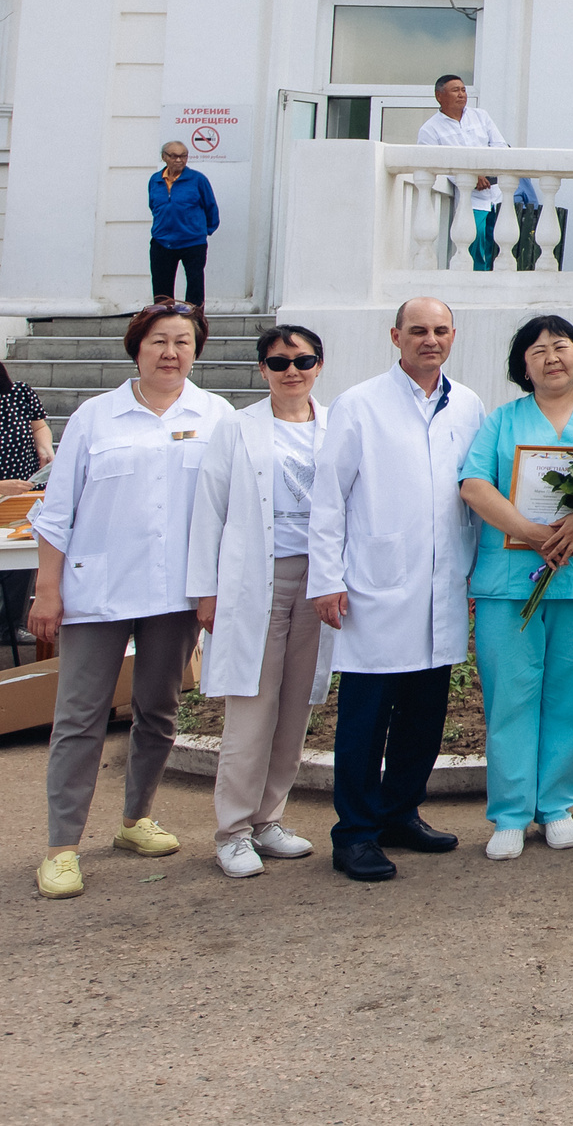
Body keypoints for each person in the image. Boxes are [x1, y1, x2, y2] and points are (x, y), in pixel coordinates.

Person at [26, 303, 232, 900]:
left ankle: (136, 819)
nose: (171, 353)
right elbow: (57, 511)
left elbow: (226, 510)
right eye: (159, 341)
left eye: (183, 342)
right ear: (136, 348)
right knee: (79, 717)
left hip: (176, 593)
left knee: (159, 710)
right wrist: (47, 590)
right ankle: (61, 847)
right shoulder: (96, 416)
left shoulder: (216, 415)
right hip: (97, 590)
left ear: (196, 351)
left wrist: (214, 590)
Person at [307, 298, 486, 881]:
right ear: (395, 336)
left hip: (441, 585)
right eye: (418, 330)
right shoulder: (359, 404)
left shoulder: (468, 404)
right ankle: (355, 833)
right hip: (374, 586)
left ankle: (399, 812)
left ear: (453, 335)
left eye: (440, 330)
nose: (429, 340)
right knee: (366, 720)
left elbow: (476, 491)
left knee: (424, 714)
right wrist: (326, 579)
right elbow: (329, 498)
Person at [458, 315, 573, 859]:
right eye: (537, 351)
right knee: (510, 696)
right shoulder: (502, 419)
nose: (551, 357)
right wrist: (529, 532)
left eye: (561, 346)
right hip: (510, 580)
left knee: (567, 694)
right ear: (523, 365)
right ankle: (510, 813)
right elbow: (473, 484)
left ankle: (556, 806)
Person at [187, 324, 333, 879]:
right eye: (278, 363)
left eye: (303, 360)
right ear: (262, 369)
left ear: (319, 365)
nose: (292, 371)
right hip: (255, 580)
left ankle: (269, 820)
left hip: (318, 581)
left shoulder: (337, 426)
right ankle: (233, 831)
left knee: (296, 705)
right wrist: (206, 592)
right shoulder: (237, 427)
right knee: (251, 707)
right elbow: (209, 510)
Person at [414, 74, 508, 272]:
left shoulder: (480, 116)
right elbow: (434, 164)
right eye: (455, 90)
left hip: (497, 193)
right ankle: (476, 283)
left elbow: (500, 146)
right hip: (470, 197)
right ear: (439, 96)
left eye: (463, 90)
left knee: (501, 246)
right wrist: (470, 176)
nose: (461, 94)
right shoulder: (430, 129)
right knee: (474, 242)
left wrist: (483, 171)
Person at [0, 355, 54, 650]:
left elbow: (39, 426)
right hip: (4, 489)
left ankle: (12, 624)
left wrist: (45, 446)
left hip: (25, 490)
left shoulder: (19, 392)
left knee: (23, 559)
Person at [146, 139, 220, 307]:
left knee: (195, 286)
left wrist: (202, 231)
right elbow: (154, 206)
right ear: (164, 157)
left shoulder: (198, 180)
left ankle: (194, 319)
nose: (179, 160)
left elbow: (211, 207)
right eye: (174, 156)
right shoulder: (155, 180)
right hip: (162, 242)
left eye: (183, 156)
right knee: (161, 288)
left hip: (193, 242)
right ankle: (163, 318)